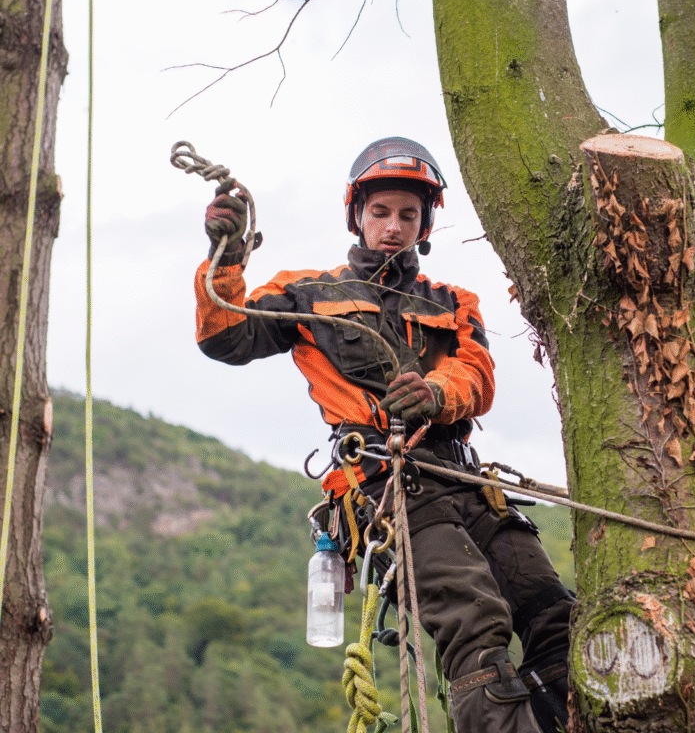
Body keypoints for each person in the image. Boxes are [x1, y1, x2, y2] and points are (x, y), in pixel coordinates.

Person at [194, 136, 574, 733]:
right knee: (475, 623)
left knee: (554, 614)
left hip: (465, 480)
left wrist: (438, 393)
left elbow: (477, 374)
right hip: (386, 489)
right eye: (380, 212)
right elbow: (226, 335)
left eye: (407, 214)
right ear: (357, 215)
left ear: (424, 225)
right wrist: (227, 251)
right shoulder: (310, 293)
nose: (393, 226)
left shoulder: (453, 302)